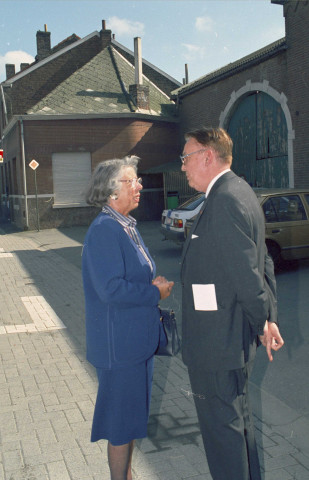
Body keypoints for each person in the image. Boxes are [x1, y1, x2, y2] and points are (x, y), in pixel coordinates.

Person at [180, 127, 284, 480]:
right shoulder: (240, 191)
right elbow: (263, 260)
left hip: (218, 344)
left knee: (224, 438)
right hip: (229, 340)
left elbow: (247, 274)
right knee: (237, 429)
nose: (182, 166)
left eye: (186, 157)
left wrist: (263, 322)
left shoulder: (224, 199)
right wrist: (268, 318)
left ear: (207, 156)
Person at [82, 156, 174, 480]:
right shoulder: (105, 229)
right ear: (111, 191)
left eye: (137, 180)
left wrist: (151, 285)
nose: (139, 185)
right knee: (121, 425)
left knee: (129, 420)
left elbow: (130, 277)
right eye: (131, 180)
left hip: (133, 344)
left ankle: (128, 475)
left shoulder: (125, 225)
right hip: (119, 348)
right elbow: (110, 289)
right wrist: (154, 293)